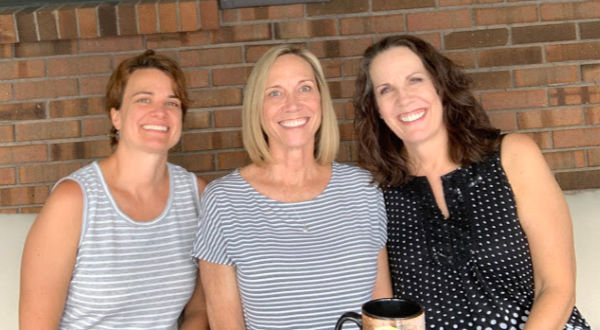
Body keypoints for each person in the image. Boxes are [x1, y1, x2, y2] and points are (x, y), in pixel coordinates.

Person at [354, 35, 591, 329]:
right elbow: (388, 317)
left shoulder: (513, 155)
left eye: (415, 80)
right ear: (376, 108)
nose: (403, 98)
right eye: (386, 89)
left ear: (440, 86)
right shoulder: (376, 192)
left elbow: (557, 288)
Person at [192, 45, 392, 329]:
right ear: (256, 108)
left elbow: (381, 314)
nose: (293, 104)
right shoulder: (224, 200)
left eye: (305, 88)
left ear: (321, 99)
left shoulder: (363, 189)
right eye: (275, 92)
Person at [19, 50, 208, 329]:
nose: (160, 111)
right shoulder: (73, 201)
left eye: (172, 102)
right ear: (116, 116)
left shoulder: (198, 197)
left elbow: (199, 310)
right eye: (143, 99)